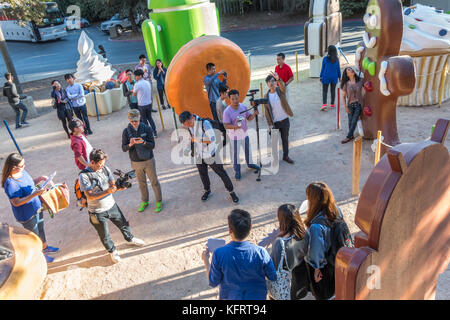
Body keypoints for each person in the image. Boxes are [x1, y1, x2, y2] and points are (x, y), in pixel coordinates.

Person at [78, 149, 145, 263]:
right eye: (99, 164)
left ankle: (130, 239)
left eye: (103, 164)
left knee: (123, 224)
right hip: (97, 211)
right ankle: (112, 251)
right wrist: (108, 191)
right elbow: (90, 196)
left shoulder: (104, 168)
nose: (101, 166)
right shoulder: (84, 176)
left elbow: (112, 183)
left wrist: (118, 187)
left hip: (111, 205)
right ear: (92, 162)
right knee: (104, 234)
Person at [202, 209, 277, 300]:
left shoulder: (219, 253)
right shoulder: (261, 252)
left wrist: (206, 261)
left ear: (230, 230)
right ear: (250, 227)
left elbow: (213, 282)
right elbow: (272, 277)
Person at [2, 153, 59, 263]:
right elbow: (16, 202)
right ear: (14, 167)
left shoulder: (21, 172)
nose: (24, 167)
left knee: (41, 229)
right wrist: (35, 194)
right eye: (22, 165)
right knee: (34, 236)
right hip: (26, 214)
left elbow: (29, 183)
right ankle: (40, 256)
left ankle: (45, 247)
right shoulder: (10, 183)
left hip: (36, 207)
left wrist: (41, 179)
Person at [179, 111, 239, 203]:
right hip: (199, 154)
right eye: (186, 125)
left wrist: (197, 140)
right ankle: (207, 190)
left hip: (211, 154)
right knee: (203, 174)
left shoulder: (204, 123)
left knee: (221, 173)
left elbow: (212, 139)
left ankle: (231, 192)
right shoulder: (189, 126)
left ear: (192, 118)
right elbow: (193, 138)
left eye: (189, 123)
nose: (189, 126)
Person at [303, 181, 343, 300]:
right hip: (338, 257)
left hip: (325, 265)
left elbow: (317, 251)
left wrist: (317, 269)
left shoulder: (316, 226)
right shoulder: (336, 209)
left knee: (323, 293)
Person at [122, 109, 163, 213]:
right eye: (132, 121)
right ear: (129, 120)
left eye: (136, 120)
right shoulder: (126, 131)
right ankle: (145, 201)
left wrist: (144, 142)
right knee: (141, 183)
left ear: (139, 118)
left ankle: (159, 201)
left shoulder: (147, 128)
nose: (134, 123)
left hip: (148, 160)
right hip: (136, 162)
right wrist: (130, 144)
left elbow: (152, 145)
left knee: (154, 182)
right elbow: (123, 148)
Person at [269, 204, 309, 300]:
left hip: (286, 287)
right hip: (301, 279)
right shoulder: (306, 234)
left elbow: (273, 266)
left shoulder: (280, 242)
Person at [222, 89, 260, 180]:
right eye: (233, 99)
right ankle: (237, 171)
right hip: (234, 137)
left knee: (248, 150)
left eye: (236, 98)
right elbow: (226, 125)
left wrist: (254, 114)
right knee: (236, 155)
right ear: (229, 99)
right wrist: (235, 127)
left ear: (239, 97)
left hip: (244, 134)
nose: (235, 101)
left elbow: (249, 118)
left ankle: (250, 163)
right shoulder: (227, 111)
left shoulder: (243, 107)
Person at [263, 72, 295, 164]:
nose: (271, 83)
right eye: (269, 82)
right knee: (274, 142)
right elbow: (267, 112)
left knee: (285, 139)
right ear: (267, 84)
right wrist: (270, 124)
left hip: (284, 120)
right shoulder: (266, 96)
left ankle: (286, 156)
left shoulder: (280, 91)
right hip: (275, 123)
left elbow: (284, 87)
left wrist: (278, 79)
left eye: (273, 81)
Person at [340, 67, 364, 144]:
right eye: (349, 70)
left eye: (351, 69)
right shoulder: (346, 84)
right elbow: (343, 96)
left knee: (354, 121)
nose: (351, 70)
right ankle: (351, 136)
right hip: (350, 105)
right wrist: (345, 107)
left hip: (359, 104)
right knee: (350, 122)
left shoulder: (360, 80)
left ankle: (348, 137)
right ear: (347, 74)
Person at [133, 69, 158, 137]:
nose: (135, 77)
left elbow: (134, 94)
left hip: (142, 105)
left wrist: (133, 90)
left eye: (136, 76)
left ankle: (149, 133)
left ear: (140, 76)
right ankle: (154, 132)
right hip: (149, 103)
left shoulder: (137, 84)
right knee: (150, 118)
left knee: (144, 120)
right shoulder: (147, 82)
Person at [319, 45, 341, 111]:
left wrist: (320, 76)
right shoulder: (337, 59)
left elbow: (323, 68)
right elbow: (338, 69)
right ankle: (332, 104)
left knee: (325, 91)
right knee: (333, 90)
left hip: (326, 76)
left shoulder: (325, 59)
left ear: (328, 51)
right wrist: (340, 77)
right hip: (334, 77)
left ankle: (324, 104)